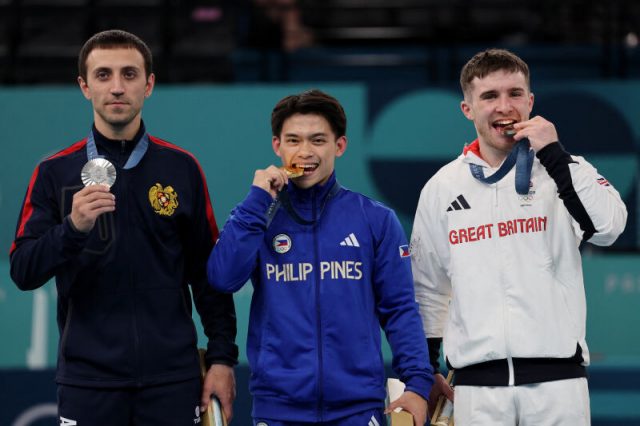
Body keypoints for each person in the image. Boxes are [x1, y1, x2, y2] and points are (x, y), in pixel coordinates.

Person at [9, 29, 238, 425]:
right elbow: (23, 270)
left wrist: (221, 358)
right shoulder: (53, 173)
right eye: (103, 75)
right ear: (84, 86)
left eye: (129, 74)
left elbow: (207, 275)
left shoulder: (181, 168)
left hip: (171, 381)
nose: (117, 87)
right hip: (88, 382)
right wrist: (72, 228)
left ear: (149, 84)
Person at [410, 48, 628, 425]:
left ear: (530, 102)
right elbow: (429, 287)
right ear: (468, 109)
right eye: (489, 96)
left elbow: (610, 228)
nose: (504, 106)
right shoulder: (441, 188)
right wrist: (426, 367)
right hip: (477, 390)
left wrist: (555, 156)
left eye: (514, 94)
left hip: (558, 385)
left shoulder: (565, 169)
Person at [207, 89, 433, 425]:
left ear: (339, 146)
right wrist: (256, 201)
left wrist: (417, 383)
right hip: (278, 409)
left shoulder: (375, 219)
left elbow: (399, 308)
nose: (305, 152)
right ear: (277, 146)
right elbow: (222, 278)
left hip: (357, 409)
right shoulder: (257, 216)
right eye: (294, 140)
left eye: (318, 140)